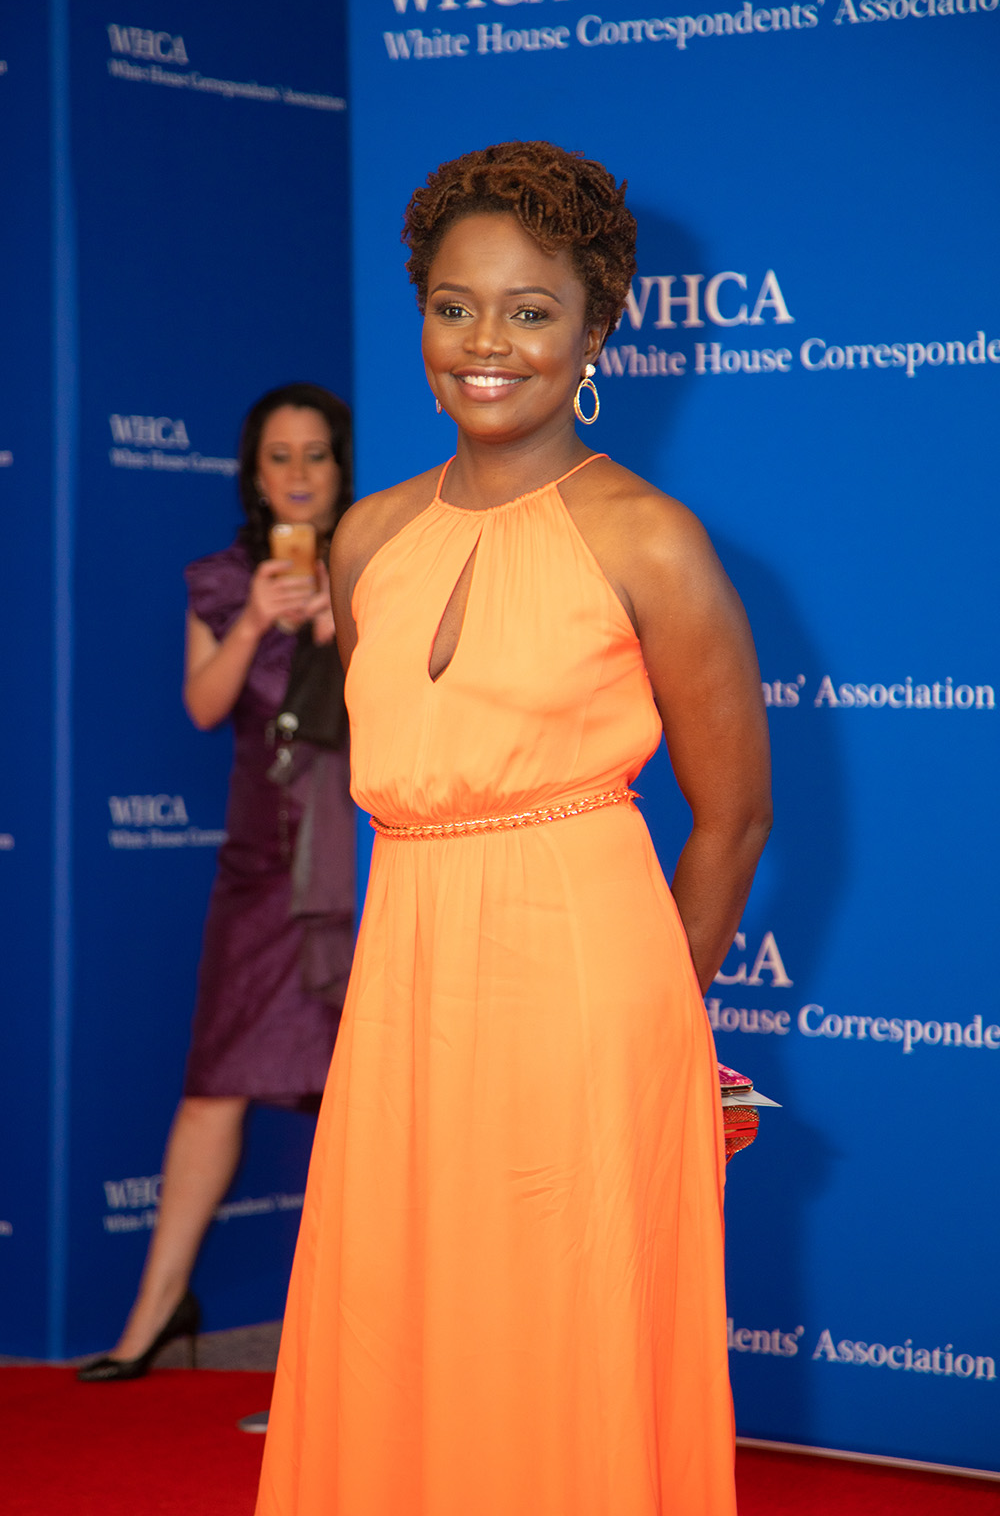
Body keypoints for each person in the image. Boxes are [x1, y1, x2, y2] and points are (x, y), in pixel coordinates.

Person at [256, 145, 772, 1516]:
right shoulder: (366, 540)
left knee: (564, 1332)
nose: (488, 344)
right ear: (421, 313)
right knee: (403, 1318)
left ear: (596, 330)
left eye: (532, 311)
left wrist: (661, 1019)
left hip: (587, 990)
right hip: (410, 981)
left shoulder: (651, 539)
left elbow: (733, 818)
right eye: (456, 305)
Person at [78, 383, 355, 1383]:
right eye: (277, 456)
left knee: (358, 1102)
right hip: (257, 865)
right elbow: (203, 708)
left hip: (357, 864)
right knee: (211, 1087)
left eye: (314, 454)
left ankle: (348, 1343)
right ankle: (152, 1315)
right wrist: (252, 623)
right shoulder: (218, 576)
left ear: (340, 466)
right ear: (252, 471)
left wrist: (337, 625)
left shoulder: (380, 567)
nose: (295, 474)